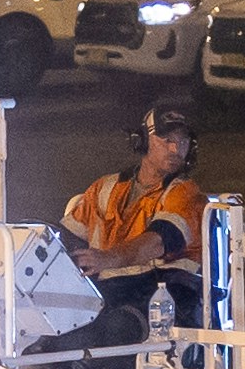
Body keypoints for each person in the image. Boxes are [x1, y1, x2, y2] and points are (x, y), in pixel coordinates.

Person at [57, 97, 206, 340]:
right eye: (167, 140)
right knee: (53, 325)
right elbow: (64, 238)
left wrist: (107, 258)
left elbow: (158, 242)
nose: (175, 149)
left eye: (183, 141)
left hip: (166, 294)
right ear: (143, 141)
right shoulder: (105, 187)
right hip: (112, 291)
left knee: (116, 328)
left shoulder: (185, 192)